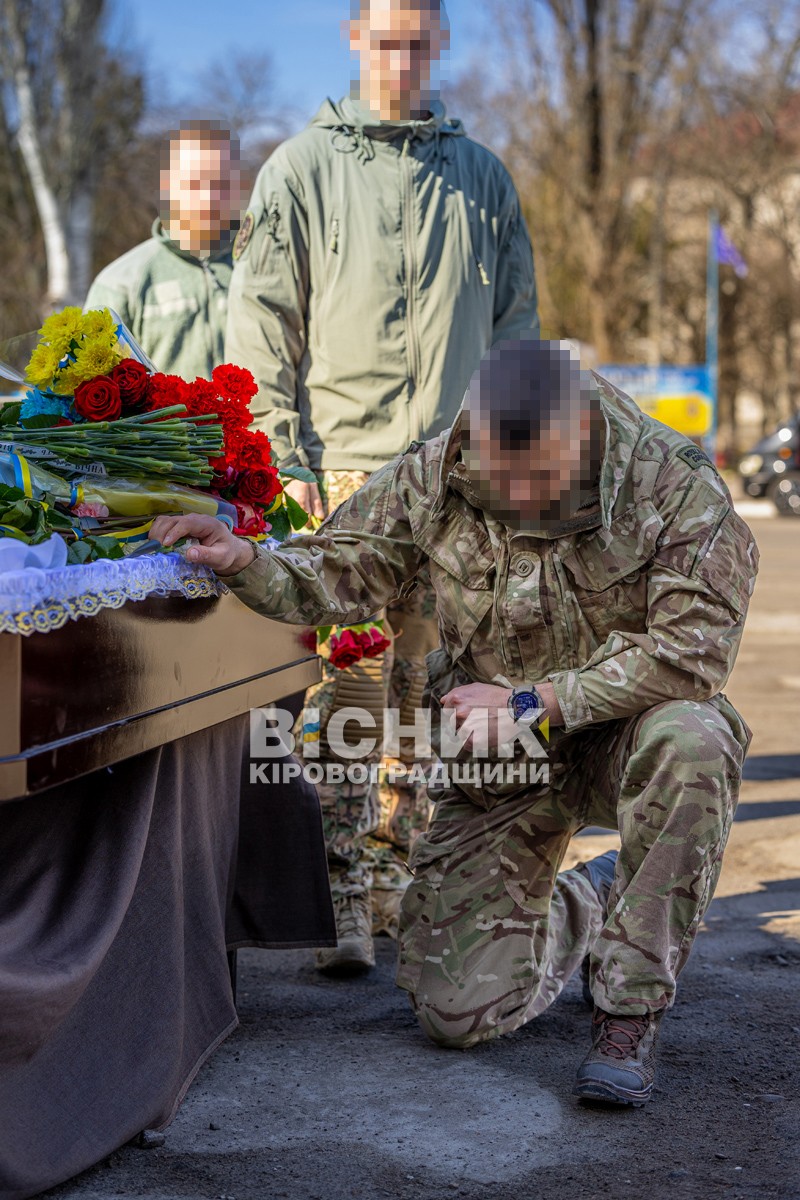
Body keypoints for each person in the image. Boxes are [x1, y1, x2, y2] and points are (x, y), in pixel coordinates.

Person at [150, 337, 758, 1106]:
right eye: (493, 472)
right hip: (498, 757)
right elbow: (342, 568)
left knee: (696, 736)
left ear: (580, 431)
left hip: (624, 736)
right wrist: (248, 561)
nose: (511, 494)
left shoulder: (670, 484)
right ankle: (593, 898)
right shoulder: (443, 468)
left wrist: (538, 704)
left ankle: (627, 1011)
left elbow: (693, 651)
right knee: (456, 1014)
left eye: (535, 475)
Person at [225, 0, 539, 971]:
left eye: (418, 41)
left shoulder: (479, 177)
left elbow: (515, 332)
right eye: (385, 40)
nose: (401, 58)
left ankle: (401, 892)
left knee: (425, 696)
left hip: (454, 480)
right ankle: (342, 910)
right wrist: (287, 459)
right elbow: (262, 321)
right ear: (355, 41)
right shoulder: (302, 171)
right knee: (350, 692)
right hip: (347, 471)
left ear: (436, 45)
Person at [85, 120, 242, 378]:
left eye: (220, 183)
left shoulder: (255, 265)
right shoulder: (120, 281)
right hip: (170, 419)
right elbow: (91, 380)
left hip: (254, 419)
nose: (208, 197)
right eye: (194, 183)